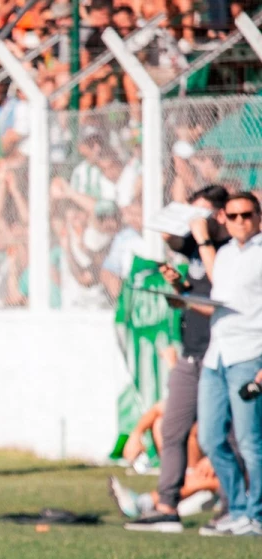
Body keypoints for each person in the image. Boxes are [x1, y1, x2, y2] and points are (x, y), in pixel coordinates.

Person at [125, 184, 232, 532]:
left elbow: (223, 292)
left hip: (223, 353)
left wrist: (204, 240)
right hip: (192, 353)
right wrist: (180, 287)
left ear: (219, 215)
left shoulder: (230, 250)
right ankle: (166, 506)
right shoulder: (195, 246)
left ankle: (234, 508)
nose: (193, 220)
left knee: (223, 436)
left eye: (200, 213)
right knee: (172, 429)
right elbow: (169, 237)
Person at [192, 192, 262, 537]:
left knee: (250, 442)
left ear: (258, 217)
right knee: (209, 438)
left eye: (246, 214)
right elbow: (220, 302)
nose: (240, 222)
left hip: (249, 353)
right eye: (232, 216)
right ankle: (237, 508)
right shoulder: (224, 254)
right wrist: (182, 296)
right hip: (217, 354)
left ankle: (256, 515)